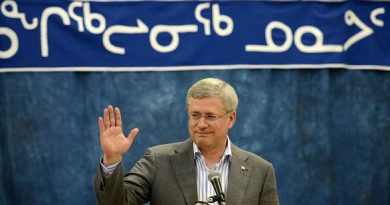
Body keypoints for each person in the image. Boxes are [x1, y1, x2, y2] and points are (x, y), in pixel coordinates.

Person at [94, 78, 279, 205]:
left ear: (231, 119)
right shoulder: (158, 160)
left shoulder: (260, 171)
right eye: (195, 115)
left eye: (210, 116)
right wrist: (112, 159)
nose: (201, 124)